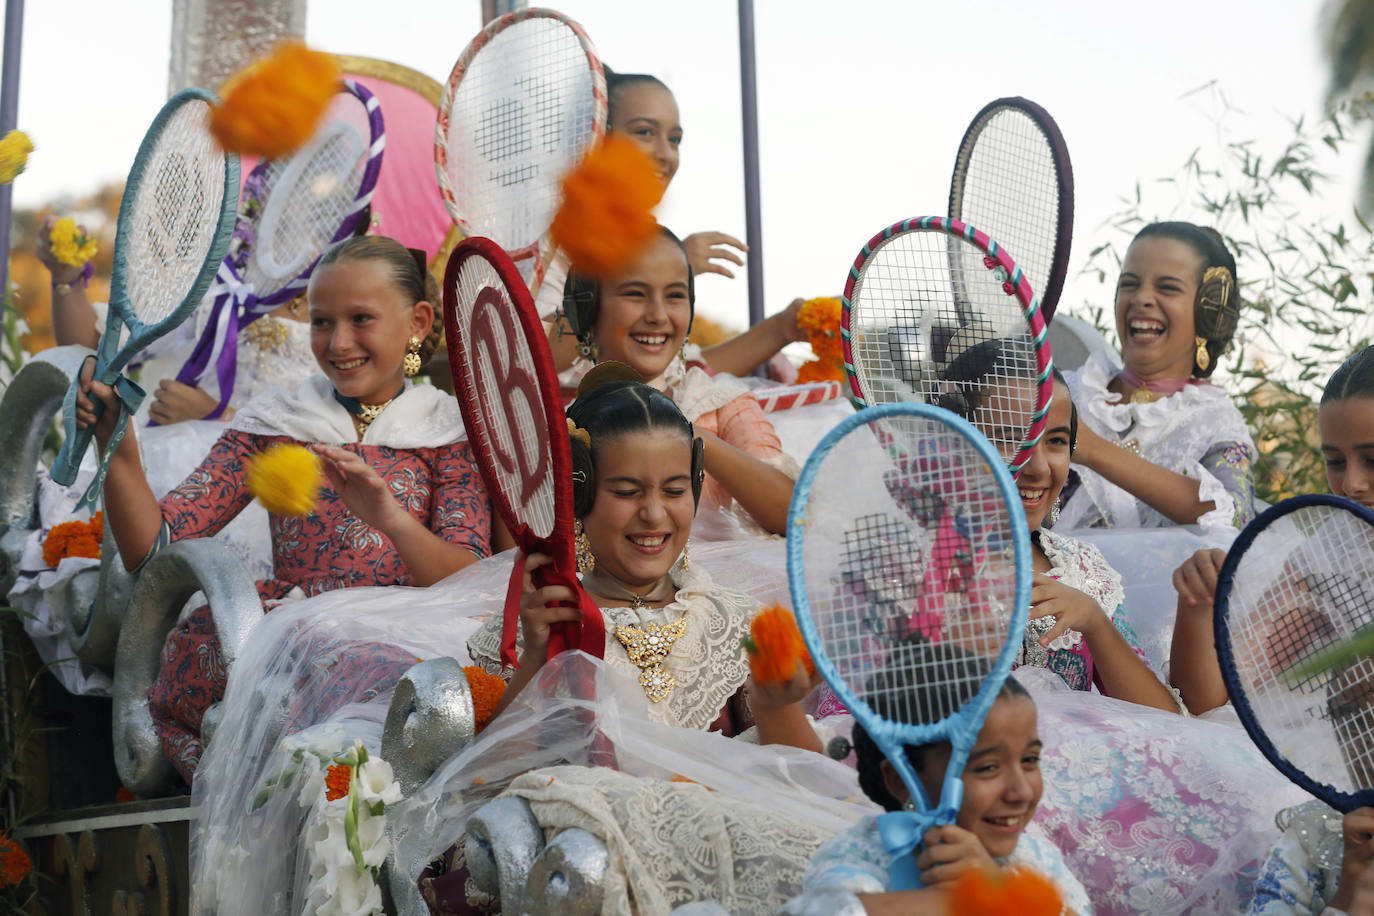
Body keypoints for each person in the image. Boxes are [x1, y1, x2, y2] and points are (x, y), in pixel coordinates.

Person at [74, 235, 493, 780]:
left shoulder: (451, 429)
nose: (339, 343)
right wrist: (120, 450)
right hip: (298, 634)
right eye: (322, 323)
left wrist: (387, 517)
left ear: (416, 322)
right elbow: (152, 547)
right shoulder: (277, 419)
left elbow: (469, 581)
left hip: (413, 634)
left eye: (360, 319)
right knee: (235, 666)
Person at [469, 364, 817, 743]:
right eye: (626, 492)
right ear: (577, 497)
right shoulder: (535, 626)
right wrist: (538, 657)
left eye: (674, 491)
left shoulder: (732, 622)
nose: (653, 515)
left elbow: (792, 772)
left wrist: (776, 706)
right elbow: (488, 776)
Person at [543, 67, 807, 379]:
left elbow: (678, 380)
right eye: (644, 132)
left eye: (675, 139)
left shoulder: (647, 243)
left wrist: (783, 327)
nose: (666, 154)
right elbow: (534, 359)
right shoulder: (547, 250)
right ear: (594, 135)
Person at [794, 640, 1091, 915]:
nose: (1022, 792)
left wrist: (1000, 891)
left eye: (1029, 760)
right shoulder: (861, 856)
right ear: (900, 779)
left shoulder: (1037, 858)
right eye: (987, 767)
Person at [1171, 344, 1374, 715]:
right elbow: (1213, 699)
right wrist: (1199, 605)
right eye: (1336, 461)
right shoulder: (1327, 554)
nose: (1352, 484)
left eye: (1372, 460)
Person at [557, 229, 797, 535]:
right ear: (588, 311)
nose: (658, 315)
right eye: (635, 293)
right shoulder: (559, 428)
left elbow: (793, 517)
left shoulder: (716, 404)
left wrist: (685, 433)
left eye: (675, 296)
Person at [1059, 221, 1256, 530]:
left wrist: (1093, 449)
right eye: (1129, 284)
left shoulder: (1214, 423)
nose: (1141, 299)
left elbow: (1235, 518)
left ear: (1208, 312)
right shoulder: (1065, 391)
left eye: (1167, 288)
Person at [37, 213, 318, 426]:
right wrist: (67, 279)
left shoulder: (347, 325)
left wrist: (218, 415)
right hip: (168, 474)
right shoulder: (218, 294)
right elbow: (95, 344)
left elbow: (342, 445)